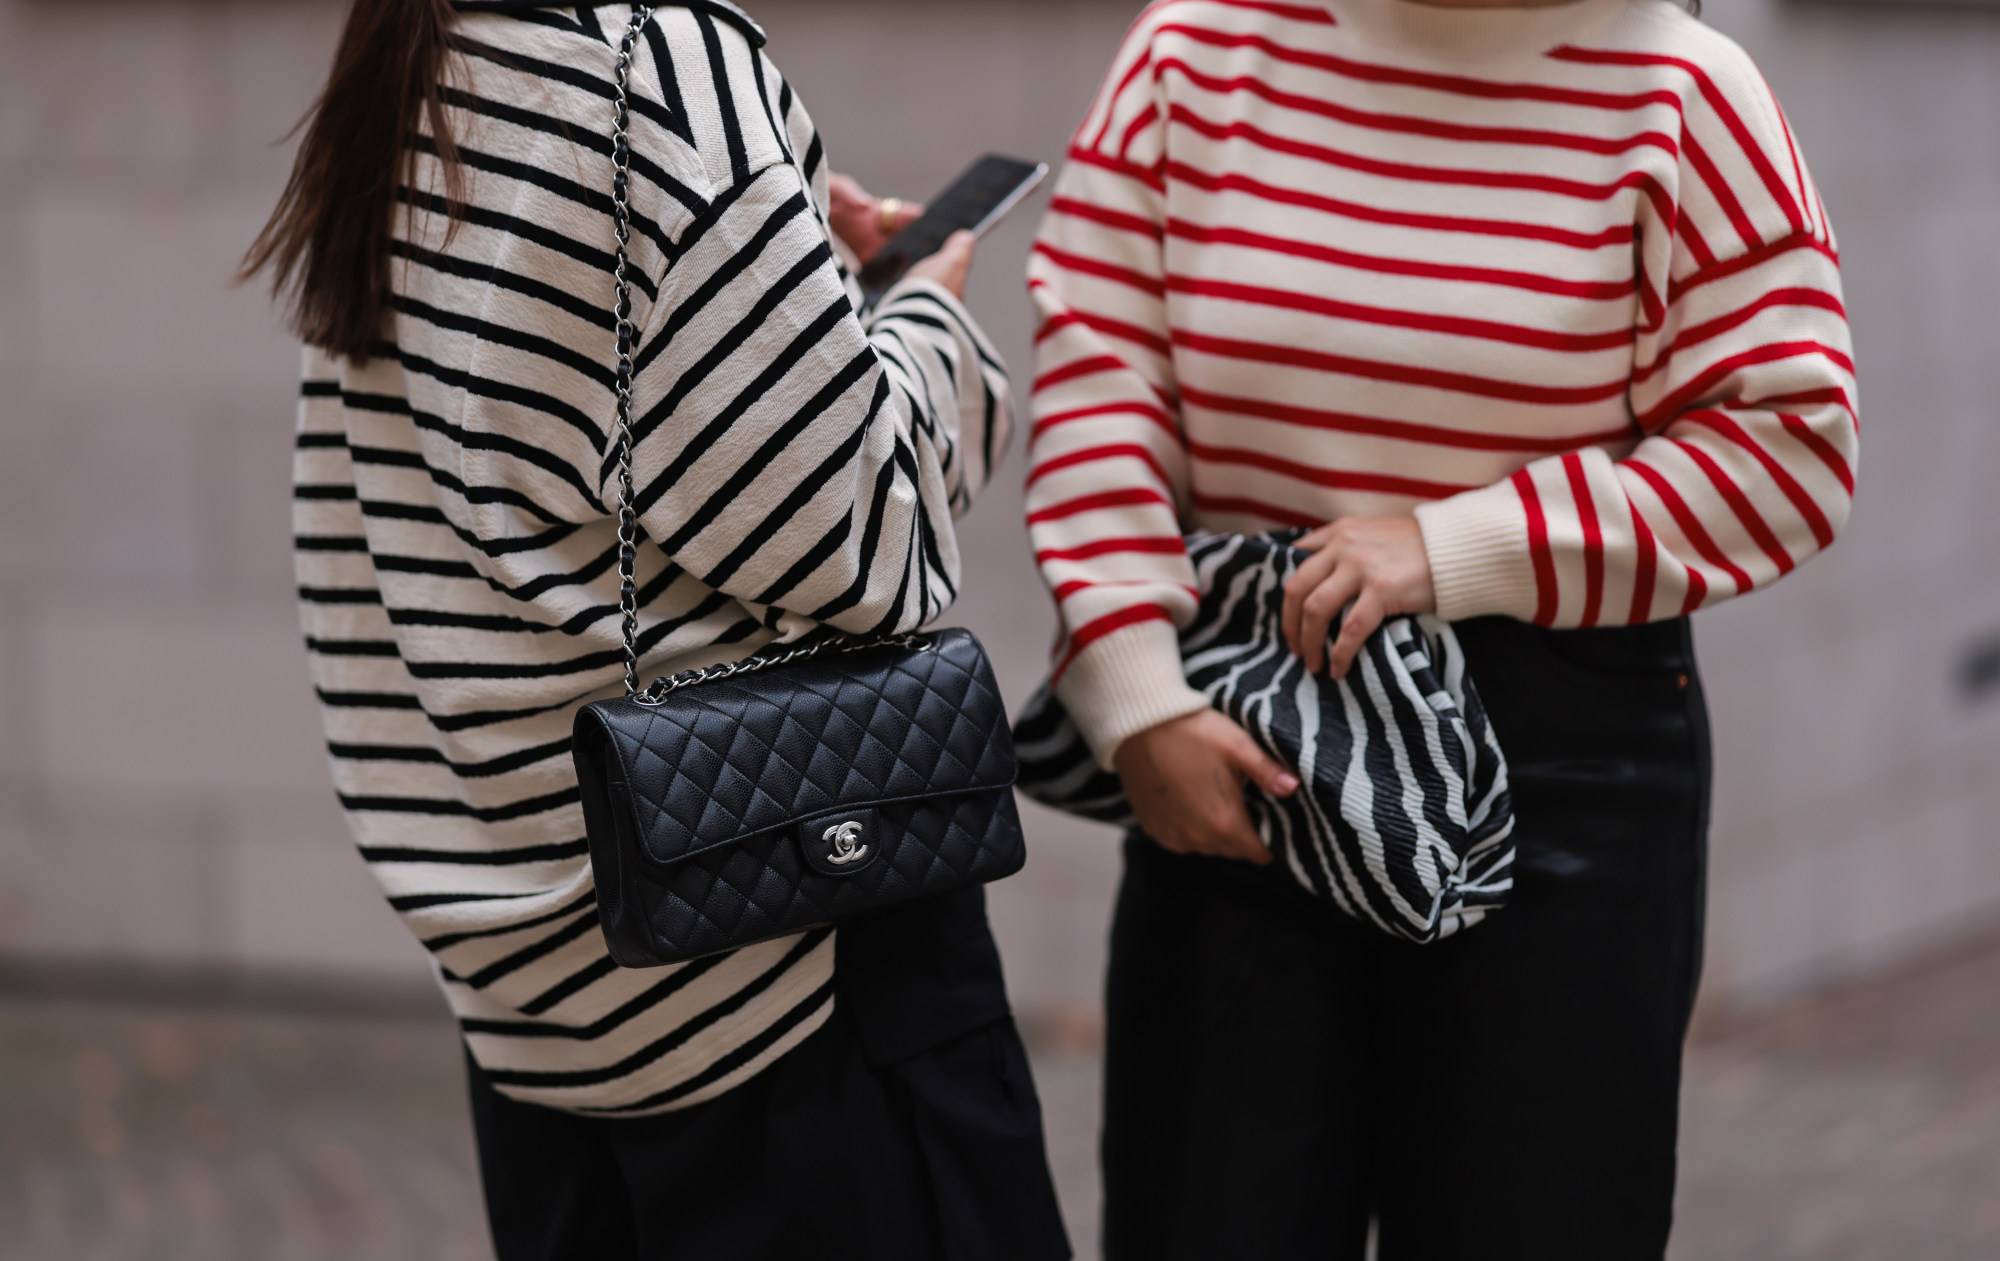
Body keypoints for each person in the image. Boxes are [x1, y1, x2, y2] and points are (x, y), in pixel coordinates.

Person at [1027, 0, 1855, 1256]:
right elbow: (1097, 379)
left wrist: (1459, 543)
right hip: (1239, 735)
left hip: (1557, 763)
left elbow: (1789, 450)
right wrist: (1132, 684)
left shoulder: (1684, 93)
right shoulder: (1197, 50)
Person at [244, 2, 1070, 1258]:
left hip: (536, 1012)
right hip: (786, 970)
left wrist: (771, 264)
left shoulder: (416, 60)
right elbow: (874, 539)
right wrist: (926, 317)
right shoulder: (665, 78)